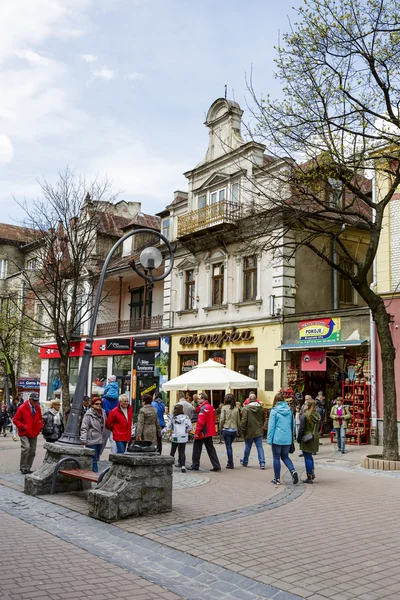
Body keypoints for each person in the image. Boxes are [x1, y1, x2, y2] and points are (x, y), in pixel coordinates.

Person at [267, 392, 298, 484]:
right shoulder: (289, 411)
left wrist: (269, 439)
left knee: (276, 457)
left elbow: (271, 426)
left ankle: (277, 479)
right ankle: (293, 470)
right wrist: (292, 437)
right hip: (287, 438)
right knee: (285, 456)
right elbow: (292, 425)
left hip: (277, 438)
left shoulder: (274, 411)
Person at [189, 392, 221, 472]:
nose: (198, 400)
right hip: (209, 432)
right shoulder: (211, 407)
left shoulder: (203, 409)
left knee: (196, 449)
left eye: (199, 399)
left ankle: (195, 465)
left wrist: (196, 432)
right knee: (210, 449)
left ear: (203, 399)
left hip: (202, 432)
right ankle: (216, 465)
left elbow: (200, 422)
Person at [13, 393, 43, 474]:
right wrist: (23, 426)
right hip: (24, 432)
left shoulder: (37, 408)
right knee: (26, 448)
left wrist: (39, 426)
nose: (35, 402)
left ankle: (27, 468)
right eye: (34, 400)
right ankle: (23, 467)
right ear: (30, 399)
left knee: (32, 451)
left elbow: (40, 418)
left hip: (34, 432)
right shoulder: (22, 407)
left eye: (37, 400)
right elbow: (15, 420)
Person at [297, 398, 321, 483]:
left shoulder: (305, 415)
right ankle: (312, 473)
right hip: (314, 437)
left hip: (307, 437)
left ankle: (309, 476)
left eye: (306, 404)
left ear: (308, 406)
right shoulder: (317, 415)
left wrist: (298, 439)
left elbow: (301, 429)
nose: (305, 406)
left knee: (307, 457)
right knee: (310, 456)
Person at [80, 398, 107, 472]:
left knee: (97, 457)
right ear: (92, 405)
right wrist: (83, 439)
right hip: (91, 440)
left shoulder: (103, 413)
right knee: (94, 458)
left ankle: (92, 472)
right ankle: (95, 474)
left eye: (100, 404)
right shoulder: (88, 414)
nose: (99, 405)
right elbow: (84, 427)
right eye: (97, 404)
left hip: (100, 439)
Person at [240, 393, 266, 469]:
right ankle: (262, 463)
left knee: (247, 447)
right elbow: (263, 419)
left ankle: (245, 461)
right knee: (260, 447)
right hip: (258, 430)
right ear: (256, 399)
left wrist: (242, 430)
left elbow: (244, 420)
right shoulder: (261, 408)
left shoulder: (246, 408)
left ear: (249, 399)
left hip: (249, 431)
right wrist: (260, 425)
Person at [165, 403, 192, 472]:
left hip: (175, 435)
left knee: (173, 451)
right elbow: (190, 426)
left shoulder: (172, 417)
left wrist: (163, 432)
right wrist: (187, 431)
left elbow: (168, 426)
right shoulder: (186, 417)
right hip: (183, 436)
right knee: (182, 451)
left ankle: (169, 466)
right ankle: (183, 466)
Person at [220, 393, 241, 469]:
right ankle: (229, 462)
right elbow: (238, 420)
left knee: (228, 446)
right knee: (229, 446)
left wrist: (220, 427)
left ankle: (230, 463)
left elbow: (222, 419)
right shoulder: (236, 408)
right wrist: (238, 430)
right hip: (234, 429)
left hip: (226, 428)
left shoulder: (224, 408)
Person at [101, 375, 119, 454]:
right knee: (113, 439)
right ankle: (114, 455)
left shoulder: (104, 400)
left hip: (106, 419)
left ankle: (98, 454)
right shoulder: (116, 399)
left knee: (103, 438)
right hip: (114, 419)